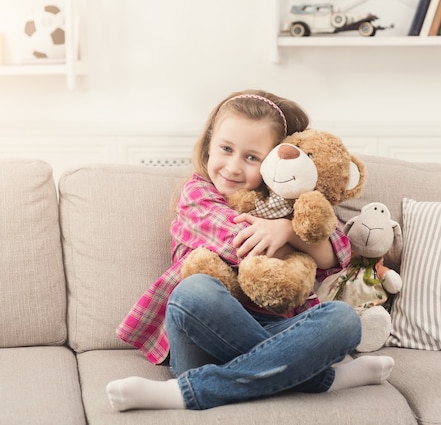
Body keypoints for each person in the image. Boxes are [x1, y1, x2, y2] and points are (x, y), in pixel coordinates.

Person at [108, 89, 394, 411]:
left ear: (274, 160)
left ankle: (188, 392)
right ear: (209, 145)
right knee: (193, 291)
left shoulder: (290, 201)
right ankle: (321, 378)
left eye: (251, 157)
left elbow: (338, 255)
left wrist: (285, 228)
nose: (232, 167)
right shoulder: (196, 193)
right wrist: (293, 237)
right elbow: (240, 244)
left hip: (277, 325)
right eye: (226, 149)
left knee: (344, 320)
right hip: (204, 333)